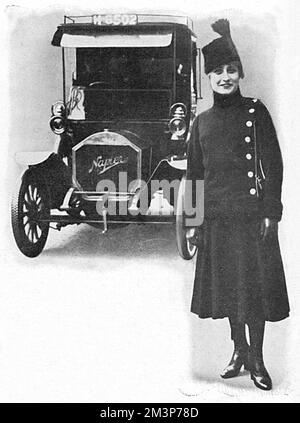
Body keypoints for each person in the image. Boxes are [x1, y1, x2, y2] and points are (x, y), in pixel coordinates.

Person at [186, 19, 289, 391]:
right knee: (229, 289)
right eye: (217, 72)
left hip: (250, 218)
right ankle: (239, 351)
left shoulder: (255, 112)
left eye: (231, 70)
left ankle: (258, 358)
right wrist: (195, 222)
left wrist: (270, 212)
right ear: (209, 78)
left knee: (255, 290)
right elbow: (194, 176)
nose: (225, 77)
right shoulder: (201, 123)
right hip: (216, 220)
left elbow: (273, 165)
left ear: (240, 73)